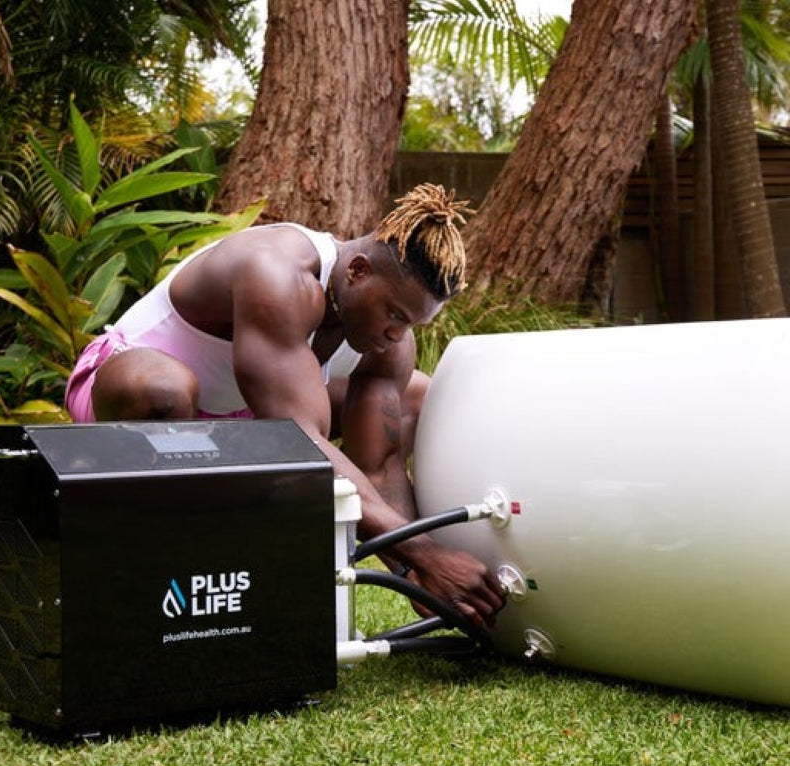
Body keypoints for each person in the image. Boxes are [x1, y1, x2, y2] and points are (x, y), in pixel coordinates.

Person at [65, 183, 506, 630]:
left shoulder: (390, 340)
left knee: (415, 393)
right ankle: (162, 559)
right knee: (163, 390)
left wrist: (414, 572)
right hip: (127, 396)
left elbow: (380, 463)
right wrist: (430, 556)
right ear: (357, 270)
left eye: (412, 322)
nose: (398, 333)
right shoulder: (277, 272)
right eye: (394, 314)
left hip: (240, 418)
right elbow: (299, 442)